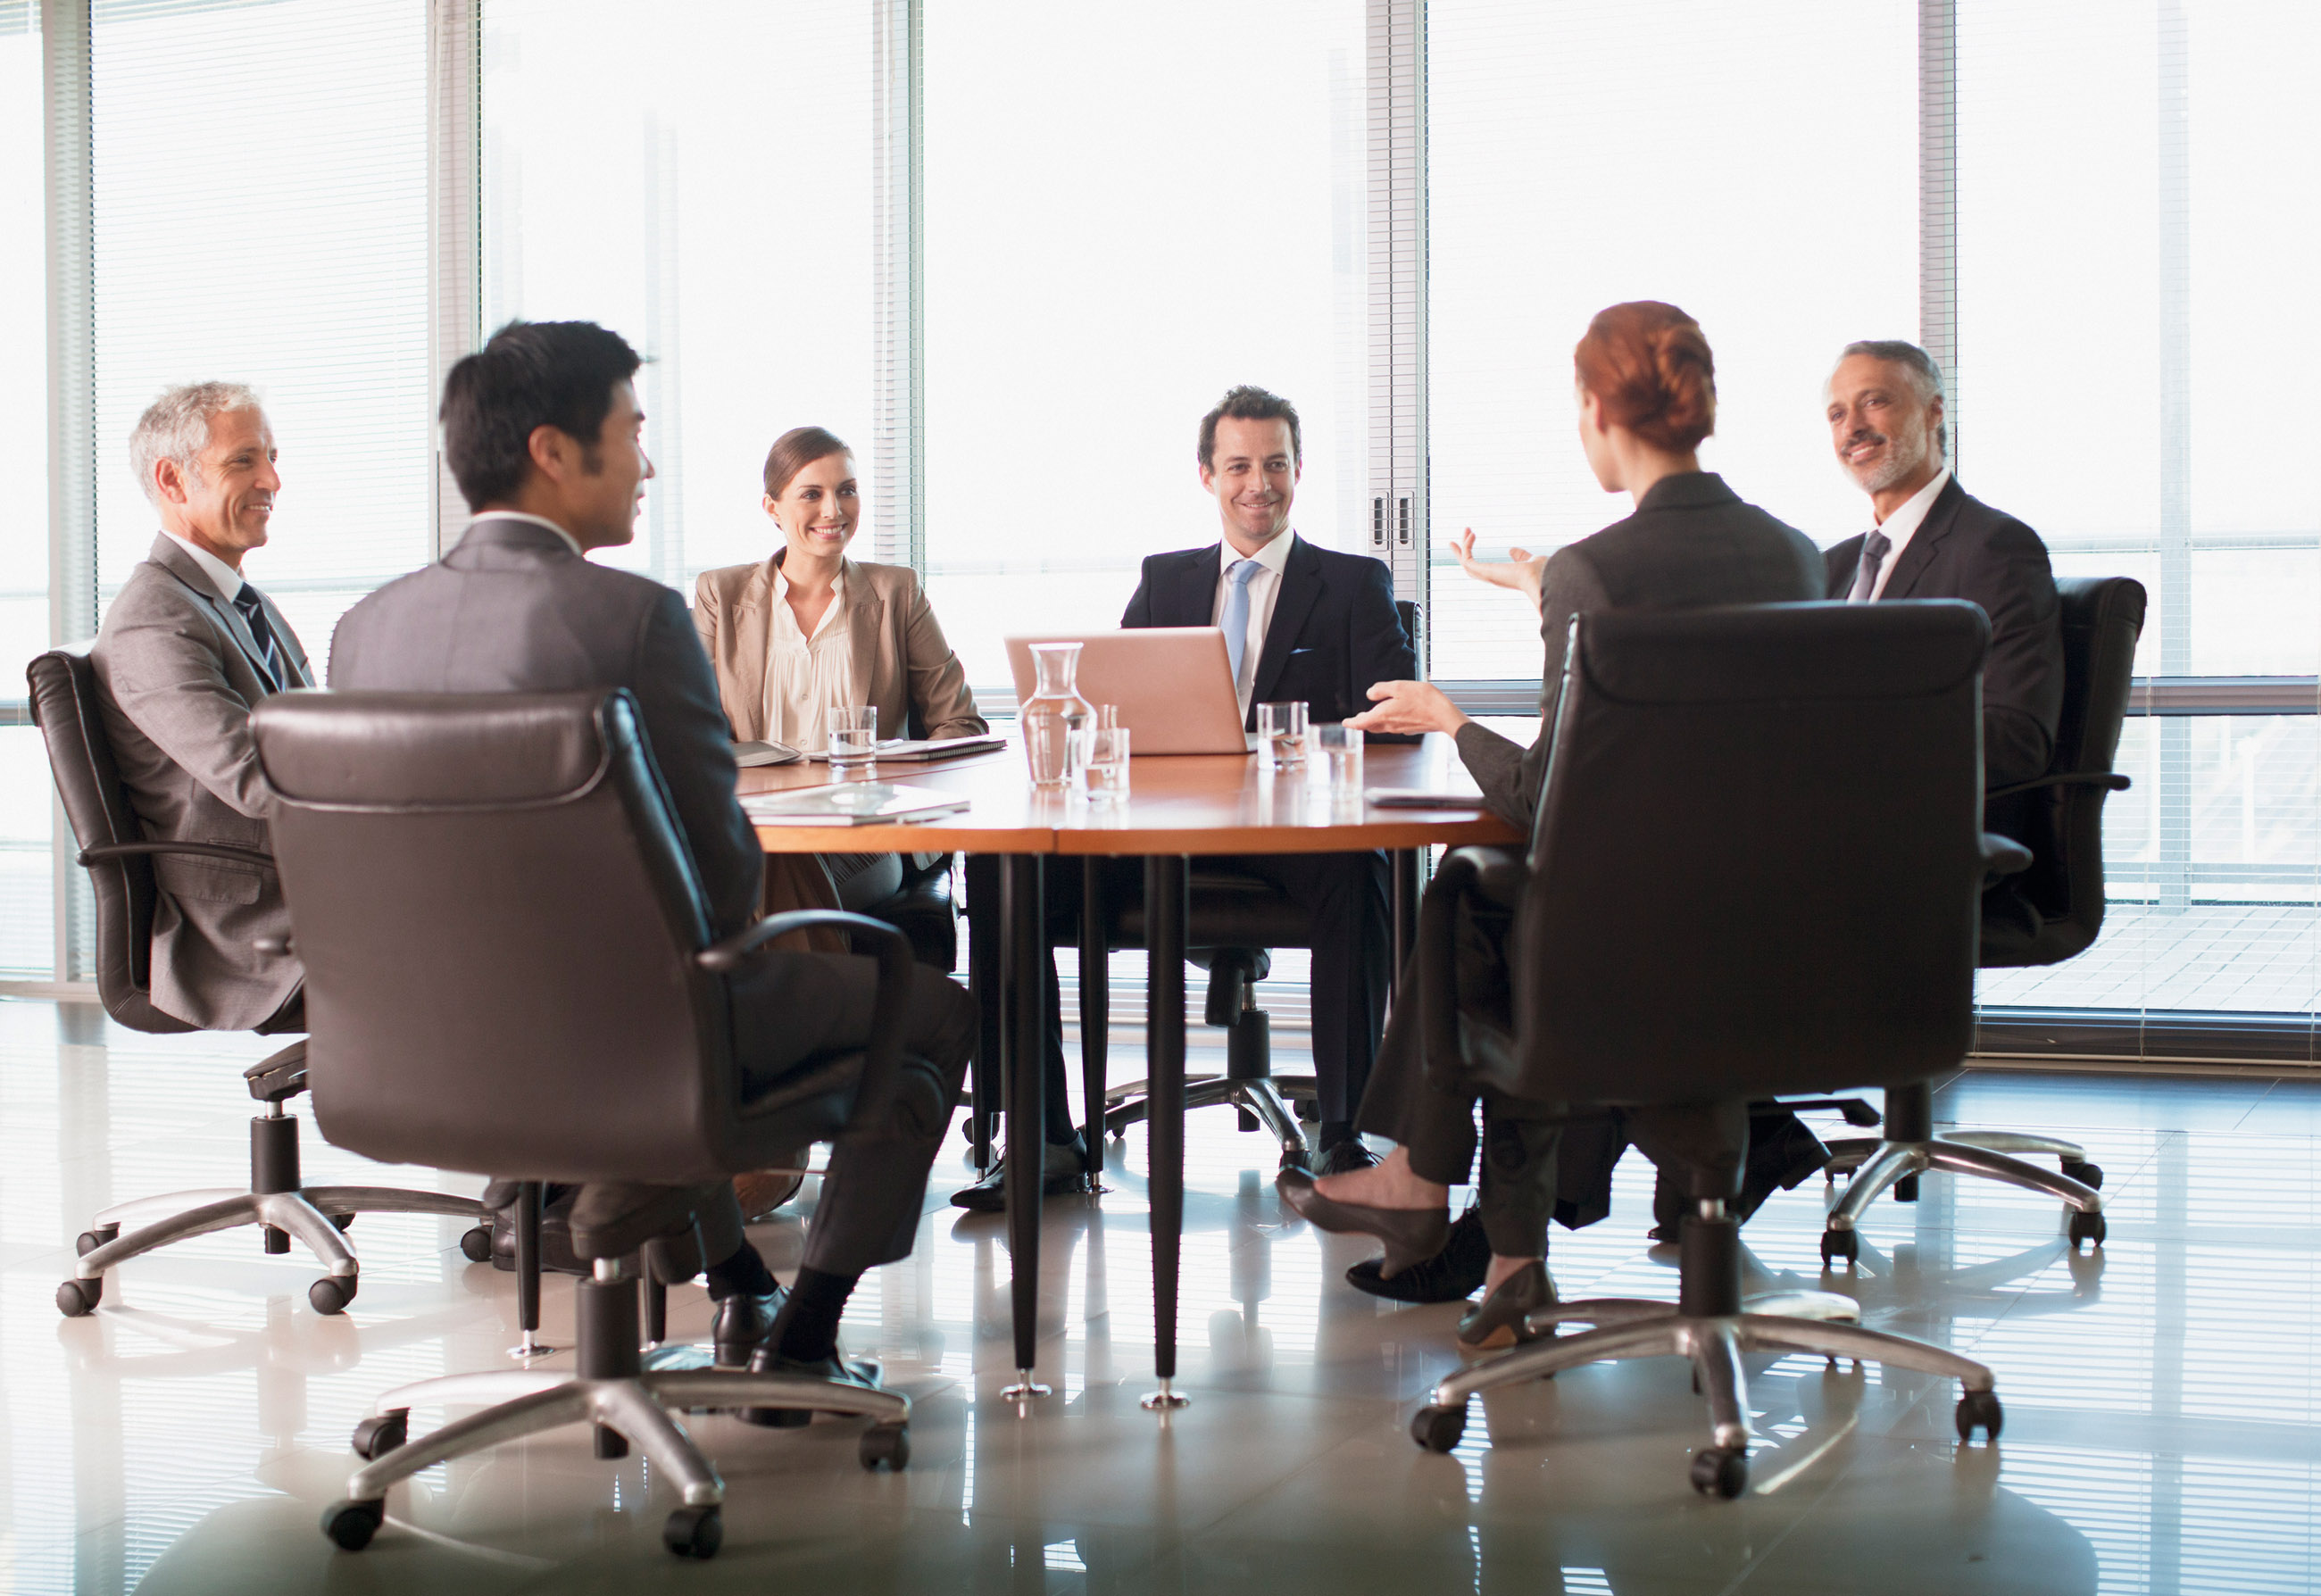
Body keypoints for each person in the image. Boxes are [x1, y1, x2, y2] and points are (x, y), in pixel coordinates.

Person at [329, 320, 977, 1399]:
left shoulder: (365, 630)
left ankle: (725, 1268)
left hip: (419, 1047)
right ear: (553, 451)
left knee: (664, 1008)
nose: (647, 462)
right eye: (631, 433)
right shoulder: (633, 619)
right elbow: (722, 882)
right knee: (928, 1007)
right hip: (622, 1039)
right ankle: (803, 1332)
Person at [1277, 302, 1827, 1347]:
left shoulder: (1596, 570)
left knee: (1469, 893)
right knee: (1481, 899)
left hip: (1626, 959)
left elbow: (1549, 798)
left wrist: (1448, 717)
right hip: (1769, 943)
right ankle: (1491, 1243)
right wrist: (1541, 586)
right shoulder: (1795, 557)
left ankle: (1432, 1184)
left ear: (1593, 410)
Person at [953, 384, 1415, 1209]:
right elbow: (1114, 707)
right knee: (999, 873)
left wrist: (1307, 744)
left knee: (1359, 874)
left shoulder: (1351, 585)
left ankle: (1345, 1137)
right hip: (1158, 839)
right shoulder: (1165, 583)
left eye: (1275, 464)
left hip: (1292, 843)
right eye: (1238, 465)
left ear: (1299, 471)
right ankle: (1044, 1140)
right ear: (1207, 475)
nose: (1257, 485)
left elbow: (1400, 723)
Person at [692, 426, 986, 932]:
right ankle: (819, 1006)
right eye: (812, 494)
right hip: (760, 831)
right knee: (755, 881)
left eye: (846, 490)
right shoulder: (721, 593)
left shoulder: (896, 592)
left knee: (757, 899)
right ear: (772, 508)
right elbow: (692, 732)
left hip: (867, 834)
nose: (834, 510)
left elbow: (961, 725)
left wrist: (896, 782)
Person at [92, 383, 311, 1033]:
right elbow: (253, 777)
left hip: (307, 882)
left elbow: (311, 740)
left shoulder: (247, 605)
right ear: (173, 480)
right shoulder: (154, 618)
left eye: (271, 455)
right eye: (243, 460)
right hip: (246, 927)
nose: (272, 478)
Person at [1822, 338, 2064, 848]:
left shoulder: (1994, 546)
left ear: (1935, 411)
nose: (1852, 428)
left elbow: (2016, 736)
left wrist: (1850, 755)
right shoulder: (1834, 566)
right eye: (1837, 414)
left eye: (1874, 401)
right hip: (1828, 824)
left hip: (1923, 836)